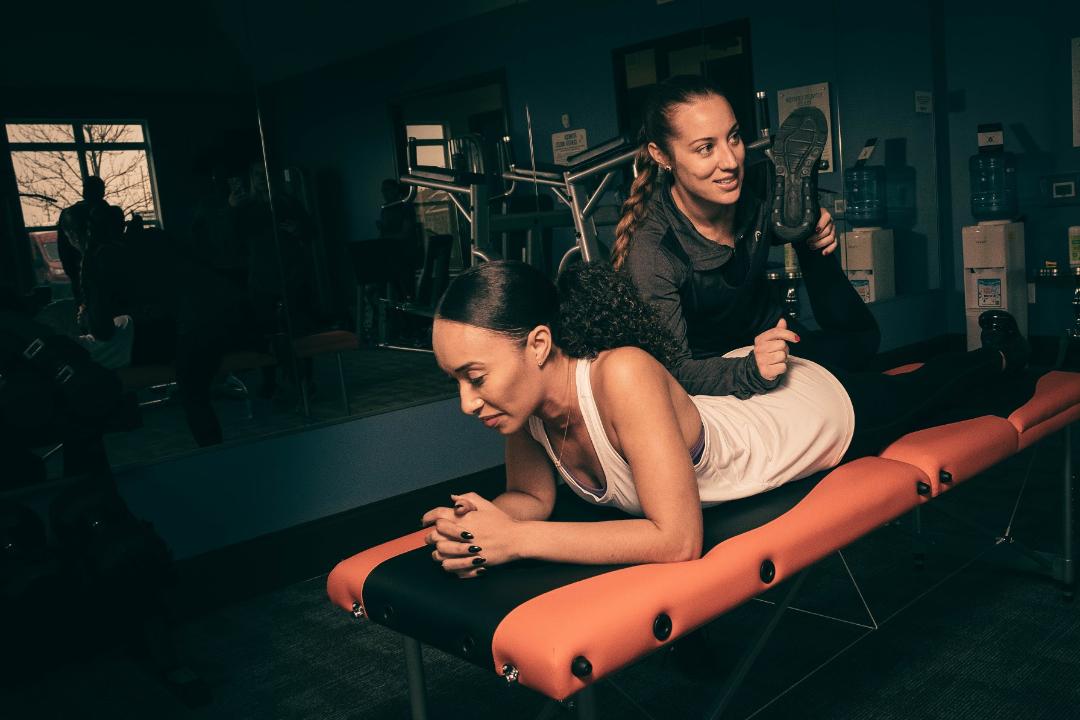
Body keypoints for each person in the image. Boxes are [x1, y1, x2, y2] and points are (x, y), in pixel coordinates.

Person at [421, 260, 1028, 577]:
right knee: (894, 379)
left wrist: (519, 540)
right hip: (735, 401)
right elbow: (531, 497)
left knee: (923, 392)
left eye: (475, 376)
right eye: (456, 382)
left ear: (537, 344)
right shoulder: (523, 410)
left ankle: (1000, 355)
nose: (468, 403)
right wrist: (478, 523)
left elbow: (677, 540)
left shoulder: (620, 374)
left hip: (803, 420)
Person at [613, 76, 879, 399]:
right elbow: (675, 370)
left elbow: (769, 232)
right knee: (868, 396)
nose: (731, 161)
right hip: (720, 371)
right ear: (662, 155)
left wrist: (815, 229)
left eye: (734, 137)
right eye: (706, 148)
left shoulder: (758, 180)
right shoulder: (653, 251)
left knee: (863, 343)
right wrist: (752, 369)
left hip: (775, 338)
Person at [56, 176, 114, 318]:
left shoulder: (68, 214)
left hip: (79, 271)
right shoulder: (108, 212)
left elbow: (63, 248)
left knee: (86, 314)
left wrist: (72, 272)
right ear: (102, 192)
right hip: (106, 271)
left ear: (84, 191)